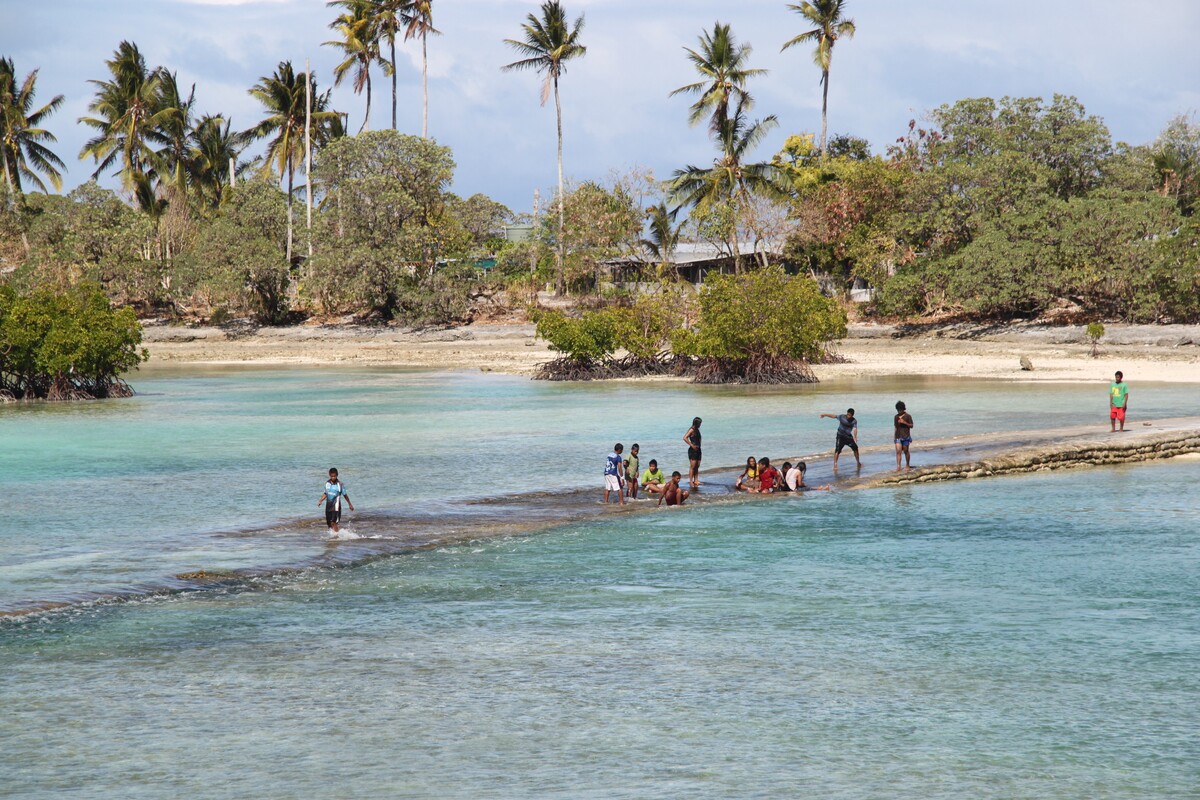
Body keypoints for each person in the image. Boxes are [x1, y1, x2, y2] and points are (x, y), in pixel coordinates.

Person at [317, 467, 354, 534]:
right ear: (329, 475)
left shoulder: (340, 484)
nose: (333, 477)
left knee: (334, 522)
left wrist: (350, 504)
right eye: (332, 476)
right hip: (328, 506)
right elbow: (325, 493)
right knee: (329, 523)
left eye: (334, 476)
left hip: (336, 507)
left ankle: (337, 536)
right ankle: (332, 538)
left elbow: (345, 495)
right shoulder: (327, 483)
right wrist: (320, 501)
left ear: (337, 475)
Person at [894, 401, 915, 469]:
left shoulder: (908, 416)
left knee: (906, 451)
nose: (899, 411)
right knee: (898, 451)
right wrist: (894, 437)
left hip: (906, 436)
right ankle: (898, 466)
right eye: (898, 410)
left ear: (903, 409)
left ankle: (907, 464)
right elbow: (895, 427)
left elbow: (911, 426)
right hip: (898, 436)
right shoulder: (896, 417)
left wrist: (904, 422)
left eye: (900, 410)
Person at [683, 417, 703, 490]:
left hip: (698, 449)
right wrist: (691, 445)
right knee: (692, 466)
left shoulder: (697, 430)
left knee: (697, 465)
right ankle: (691, 481)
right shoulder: (692, 430)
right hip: (693, 450)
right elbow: (685, 438)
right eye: (700, 423)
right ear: (696, 423)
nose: (700, 424)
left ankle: (696, 480)